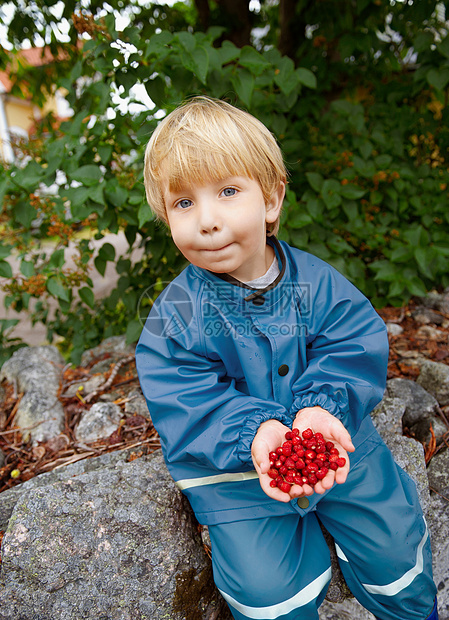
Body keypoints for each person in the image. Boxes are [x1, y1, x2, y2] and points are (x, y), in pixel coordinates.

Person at [135, 96, 438, 620]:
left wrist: (322, 409)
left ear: (271, 200)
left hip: (336, 439)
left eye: (228, 192)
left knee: (395, 542)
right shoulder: (176, 314)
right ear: (166, 216)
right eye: (183, 203)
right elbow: (184, 395)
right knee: (265, 589)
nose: (206, 220)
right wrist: (255, 433)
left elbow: (352, 343)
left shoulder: (317, 284)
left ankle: (409, 607)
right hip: (234, 470)